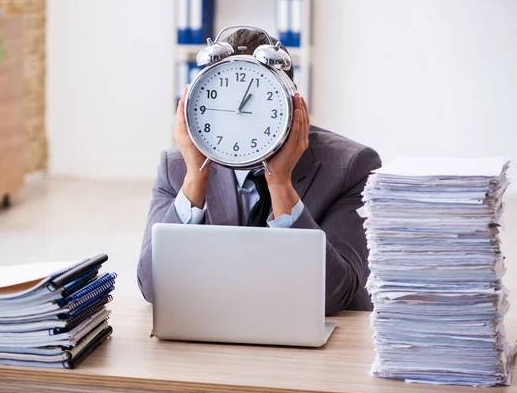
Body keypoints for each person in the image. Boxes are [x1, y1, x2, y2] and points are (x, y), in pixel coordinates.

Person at [137, 29, 381, 316]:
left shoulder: (352, 166)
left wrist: (280, 183)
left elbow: (333, 296)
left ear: (292, 105)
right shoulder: (177, 168)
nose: (239, 118)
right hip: (221, 327)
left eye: (264, 102)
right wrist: (196, 177)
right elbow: (154, 288)